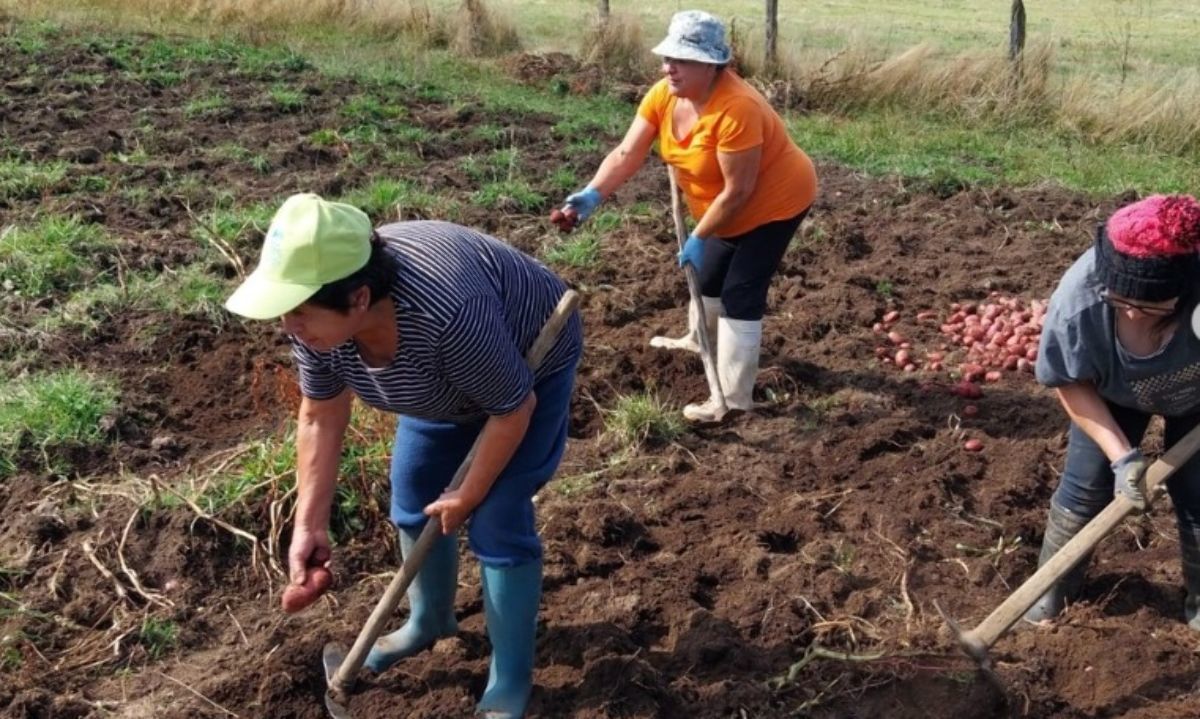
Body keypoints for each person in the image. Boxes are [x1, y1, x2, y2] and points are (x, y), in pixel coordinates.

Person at [224, 193, 583, 719]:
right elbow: (321, 415)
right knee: (414, 492)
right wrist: (310, 524)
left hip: (526, 368)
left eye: (299, 311)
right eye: (285, 311)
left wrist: (469, 492)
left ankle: (510, 676)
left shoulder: (448, 314)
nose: (288, 326)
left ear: (360, 298)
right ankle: (429, 621)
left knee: (497, 518)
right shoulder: (318, 327)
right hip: (440, 387)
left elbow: (511, 408)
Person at [556, 9, 818, 423]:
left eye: (682, 60)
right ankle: (699, 341)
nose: (668, 67)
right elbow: (627, 154)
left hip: (774, 204)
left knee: (739, 293)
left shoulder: (738, 109)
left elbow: (740, 191)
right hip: (721, 205)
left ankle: (732, 400)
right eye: (667, 58)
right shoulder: (664, 94)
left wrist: (699, 235)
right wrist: (593, 194)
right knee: (708, 278)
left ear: (713, 65)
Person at [1026, 194, 1200, 628]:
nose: (1131, 314)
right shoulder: (1080, 301)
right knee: (1086, 491)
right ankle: (1050, 596)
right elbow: (1069, 381)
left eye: (1149, 307)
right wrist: (1122, 457)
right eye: (1121, 301)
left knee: (1199, 495)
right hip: (1111, 396)